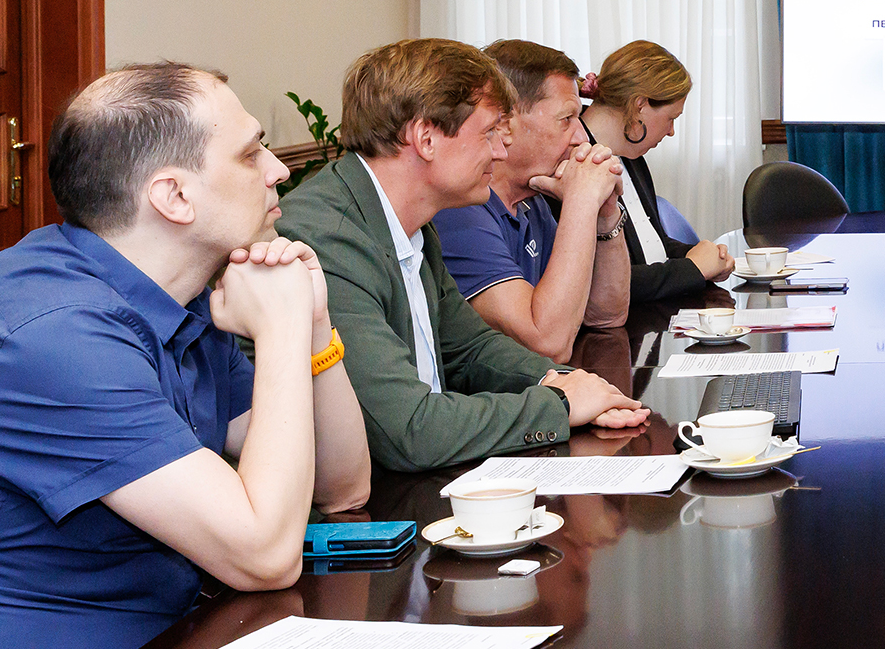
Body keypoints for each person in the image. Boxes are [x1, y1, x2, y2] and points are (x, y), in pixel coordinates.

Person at [0, 63, 370, 649]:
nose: (279, 169)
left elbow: (345, 485)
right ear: (174, 196)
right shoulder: (54, 335)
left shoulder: (174, 295)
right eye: (250, 152)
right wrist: (278, 330)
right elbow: (264, 553)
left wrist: (311, 327)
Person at [277, 38, 649, 473]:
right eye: (489, 132)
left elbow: (468, 348)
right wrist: (558, 405)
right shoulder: (327, 238)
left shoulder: (410, 220)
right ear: (426, 138)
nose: (501, 150)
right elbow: (409, 430)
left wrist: (567, 382)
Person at [433, 40, 630, 361]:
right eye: (566, 119)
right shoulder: (458, 210)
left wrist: (606, 213)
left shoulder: (531, 199)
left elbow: (606, 316)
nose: (582, 137)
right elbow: (548, 343)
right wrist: (581, 200)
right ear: (504, 123)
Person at [577, 40, 735, 305]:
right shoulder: (576, 163)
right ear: (639, 105)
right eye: (671, 118)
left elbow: (650, 245)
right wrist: (693, 269)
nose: (671, 131)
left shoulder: (631, 154)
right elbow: (605, 283)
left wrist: (704, 257)